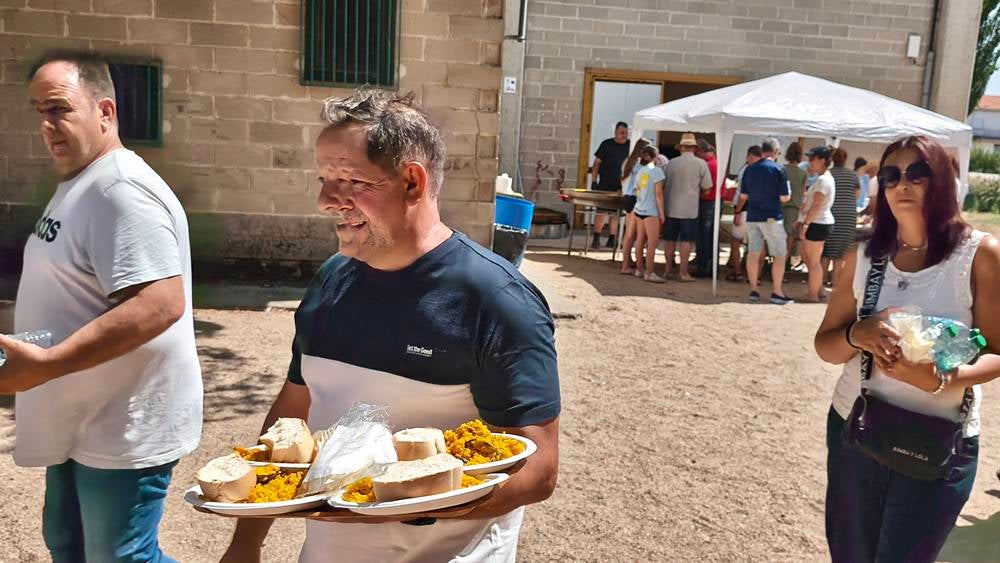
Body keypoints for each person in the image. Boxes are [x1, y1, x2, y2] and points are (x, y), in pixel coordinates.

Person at [221, 90, 561, 563]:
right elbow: (294, 411)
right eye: (323, 179)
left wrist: (398, 507)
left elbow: (539, 468)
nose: (325, 200)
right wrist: (246, 541)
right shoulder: (331, 281)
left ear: (412, 183)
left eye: (348, 180)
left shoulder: (496, 299)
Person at [0, 50, 201, 562]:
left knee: (121, 556)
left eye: (60, 108)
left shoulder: (120, 190)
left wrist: (45, 365)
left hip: (124, 418)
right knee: (67, 544)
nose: (48, 124)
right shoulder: (82, 183)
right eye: (40, 111)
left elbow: (159, 303)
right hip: (82, 410)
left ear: (105, 112)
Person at [815, 135, 1000, 561]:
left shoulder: (978, 255)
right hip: (856, 429)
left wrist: (942, 379)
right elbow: (826, 347)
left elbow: (996, 349)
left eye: (918, 173)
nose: (903, 184)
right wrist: (855, 335)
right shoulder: (862, 255)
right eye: (892, 175)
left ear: (944, 181)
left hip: (940, 439)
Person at [737, 139, 793, 304]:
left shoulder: (749, 169)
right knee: (780, 254)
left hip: (753, 215)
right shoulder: (779, 169)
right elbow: (785, 197)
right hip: (772, 216)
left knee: (753, 253)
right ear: (776, 152)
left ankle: (754, 289)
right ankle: (776, 291)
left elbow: (743, 196)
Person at [662, 132, 712, 282]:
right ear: (694, 148)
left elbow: (662, 184)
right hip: (689, 209)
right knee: (686, 241)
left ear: (681, 147)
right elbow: (707, 187)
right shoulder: (701, 164)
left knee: (669, 240)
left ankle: (667, 270)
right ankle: (683, 272)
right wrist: (699, 195)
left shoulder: (671, 163)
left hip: (670, 207)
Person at [796, 146, 836, 302]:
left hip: (817, 222)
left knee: (813, 261)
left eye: (813, 159)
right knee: (809, 258)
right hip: (818, 221)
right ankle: (818, 291)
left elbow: (817, 205)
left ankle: (813, 294)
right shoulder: (825, 178)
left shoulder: (823, 179)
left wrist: (805, 224)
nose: (810, 162)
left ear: (822, 161)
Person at [823, 148, 861, 289]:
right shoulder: (853, 176)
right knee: (840, 253)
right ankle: (835, 283)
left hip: (830, 214)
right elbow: (856, 195)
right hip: (847, 216)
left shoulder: (828, 174)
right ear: (845, 159)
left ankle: (820, 281)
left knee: (826, 252)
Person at [629, 146, 667, 283]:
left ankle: (639, 269)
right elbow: (658, 194)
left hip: (639, 209)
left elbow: (637, 190)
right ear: (654, 157)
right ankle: (649, 272)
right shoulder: (656, 171)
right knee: (652, 242)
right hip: (651, 211)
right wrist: (662, 214)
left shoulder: (640, 171)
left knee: (639, 240)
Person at [590, 121, 630, 249]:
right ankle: (596, 238)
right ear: (615, 133)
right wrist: (594, 181)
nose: (624, 135)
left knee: (615, 213)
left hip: (621, 186)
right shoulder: (606, 144)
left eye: (626, 133)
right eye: (621, 133)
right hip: (604, 184)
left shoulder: (630, 146)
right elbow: (596, 164)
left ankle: (612, 239)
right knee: (601, 213)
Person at [726, 146, 762, 282]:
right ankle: (755, 276)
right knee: (756, 244)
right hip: (760, 211)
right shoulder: (767, 170)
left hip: (745, 209)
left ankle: (738, 272)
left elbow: (744, 195)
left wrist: (737, 211)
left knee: (735, 241)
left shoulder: (748, 170)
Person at [620, 138, 652, 275]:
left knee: (629, 234)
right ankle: (626, 265)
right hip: (635, 199)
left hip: (626, 198)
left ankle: (626, 263)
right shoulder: (641, 166)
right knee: (633, 234)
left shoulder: (628, 162)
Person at [694, 139, 720, 278]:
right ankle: (712, 266)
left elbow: (705, 187)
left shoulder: (707, 165)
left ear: (700, 150)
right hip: (716, 201)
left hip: (707, 202)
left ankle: (703, 267)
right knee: (711, 237)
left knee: (703, 237)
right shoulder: (716, 162)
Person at [783, 142, 809, 263]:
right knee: (789, 236)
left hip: (779, 206)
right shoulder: (803, 173)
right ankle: (784, 262)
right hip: (794, 208)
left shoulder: (781, 169)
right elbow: (803, 192)